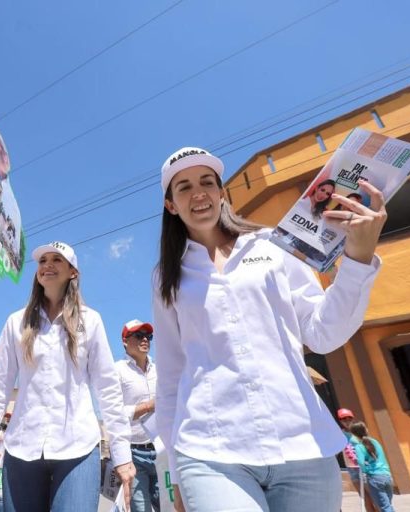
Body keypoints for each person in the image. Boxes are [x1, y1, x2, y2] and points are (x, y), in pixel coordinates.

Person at [153, 147, 386, 511]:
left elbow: (323, 332)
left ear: (221, 193)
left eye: (207, 183)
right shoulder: (166, 277)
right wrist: (177, 478)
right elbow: (170, 376)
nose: (198, 193)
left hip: (304, 445)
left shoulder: (271, 246)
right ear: (171, 205)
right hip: (210, 450)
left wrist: (357, 258)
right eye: (183, 187)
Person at [0, 241, 136, 512]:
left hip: (78, 448)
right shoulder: (16, 322)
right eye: (42, 261)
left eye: (56, 260)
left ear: (72, 272)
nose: (47, 265)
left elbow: (108, 389)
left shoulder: (91, 321)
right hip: (21, 449)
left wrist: (122, 454)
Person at [116, 319, 160, 512]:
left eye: (148, 336)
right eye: (139, 335)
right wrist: (149, 406)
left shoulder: (160, 370)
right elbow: (115, 413)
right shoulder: (117, 370)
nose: (145, 340)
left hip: (162, 449)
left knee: (169, 507)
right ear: (125, 341)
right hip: (134, 452)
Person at [350, 422, 396, 512]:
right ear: (366, 430)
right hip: (387, 475)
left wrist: (365, 470)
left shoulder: (359, 446)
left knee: (384, 507)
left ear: (354, 434)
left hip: (375, 478)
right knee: (388, 505)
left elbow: (361, 462)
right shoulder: (375, 442)